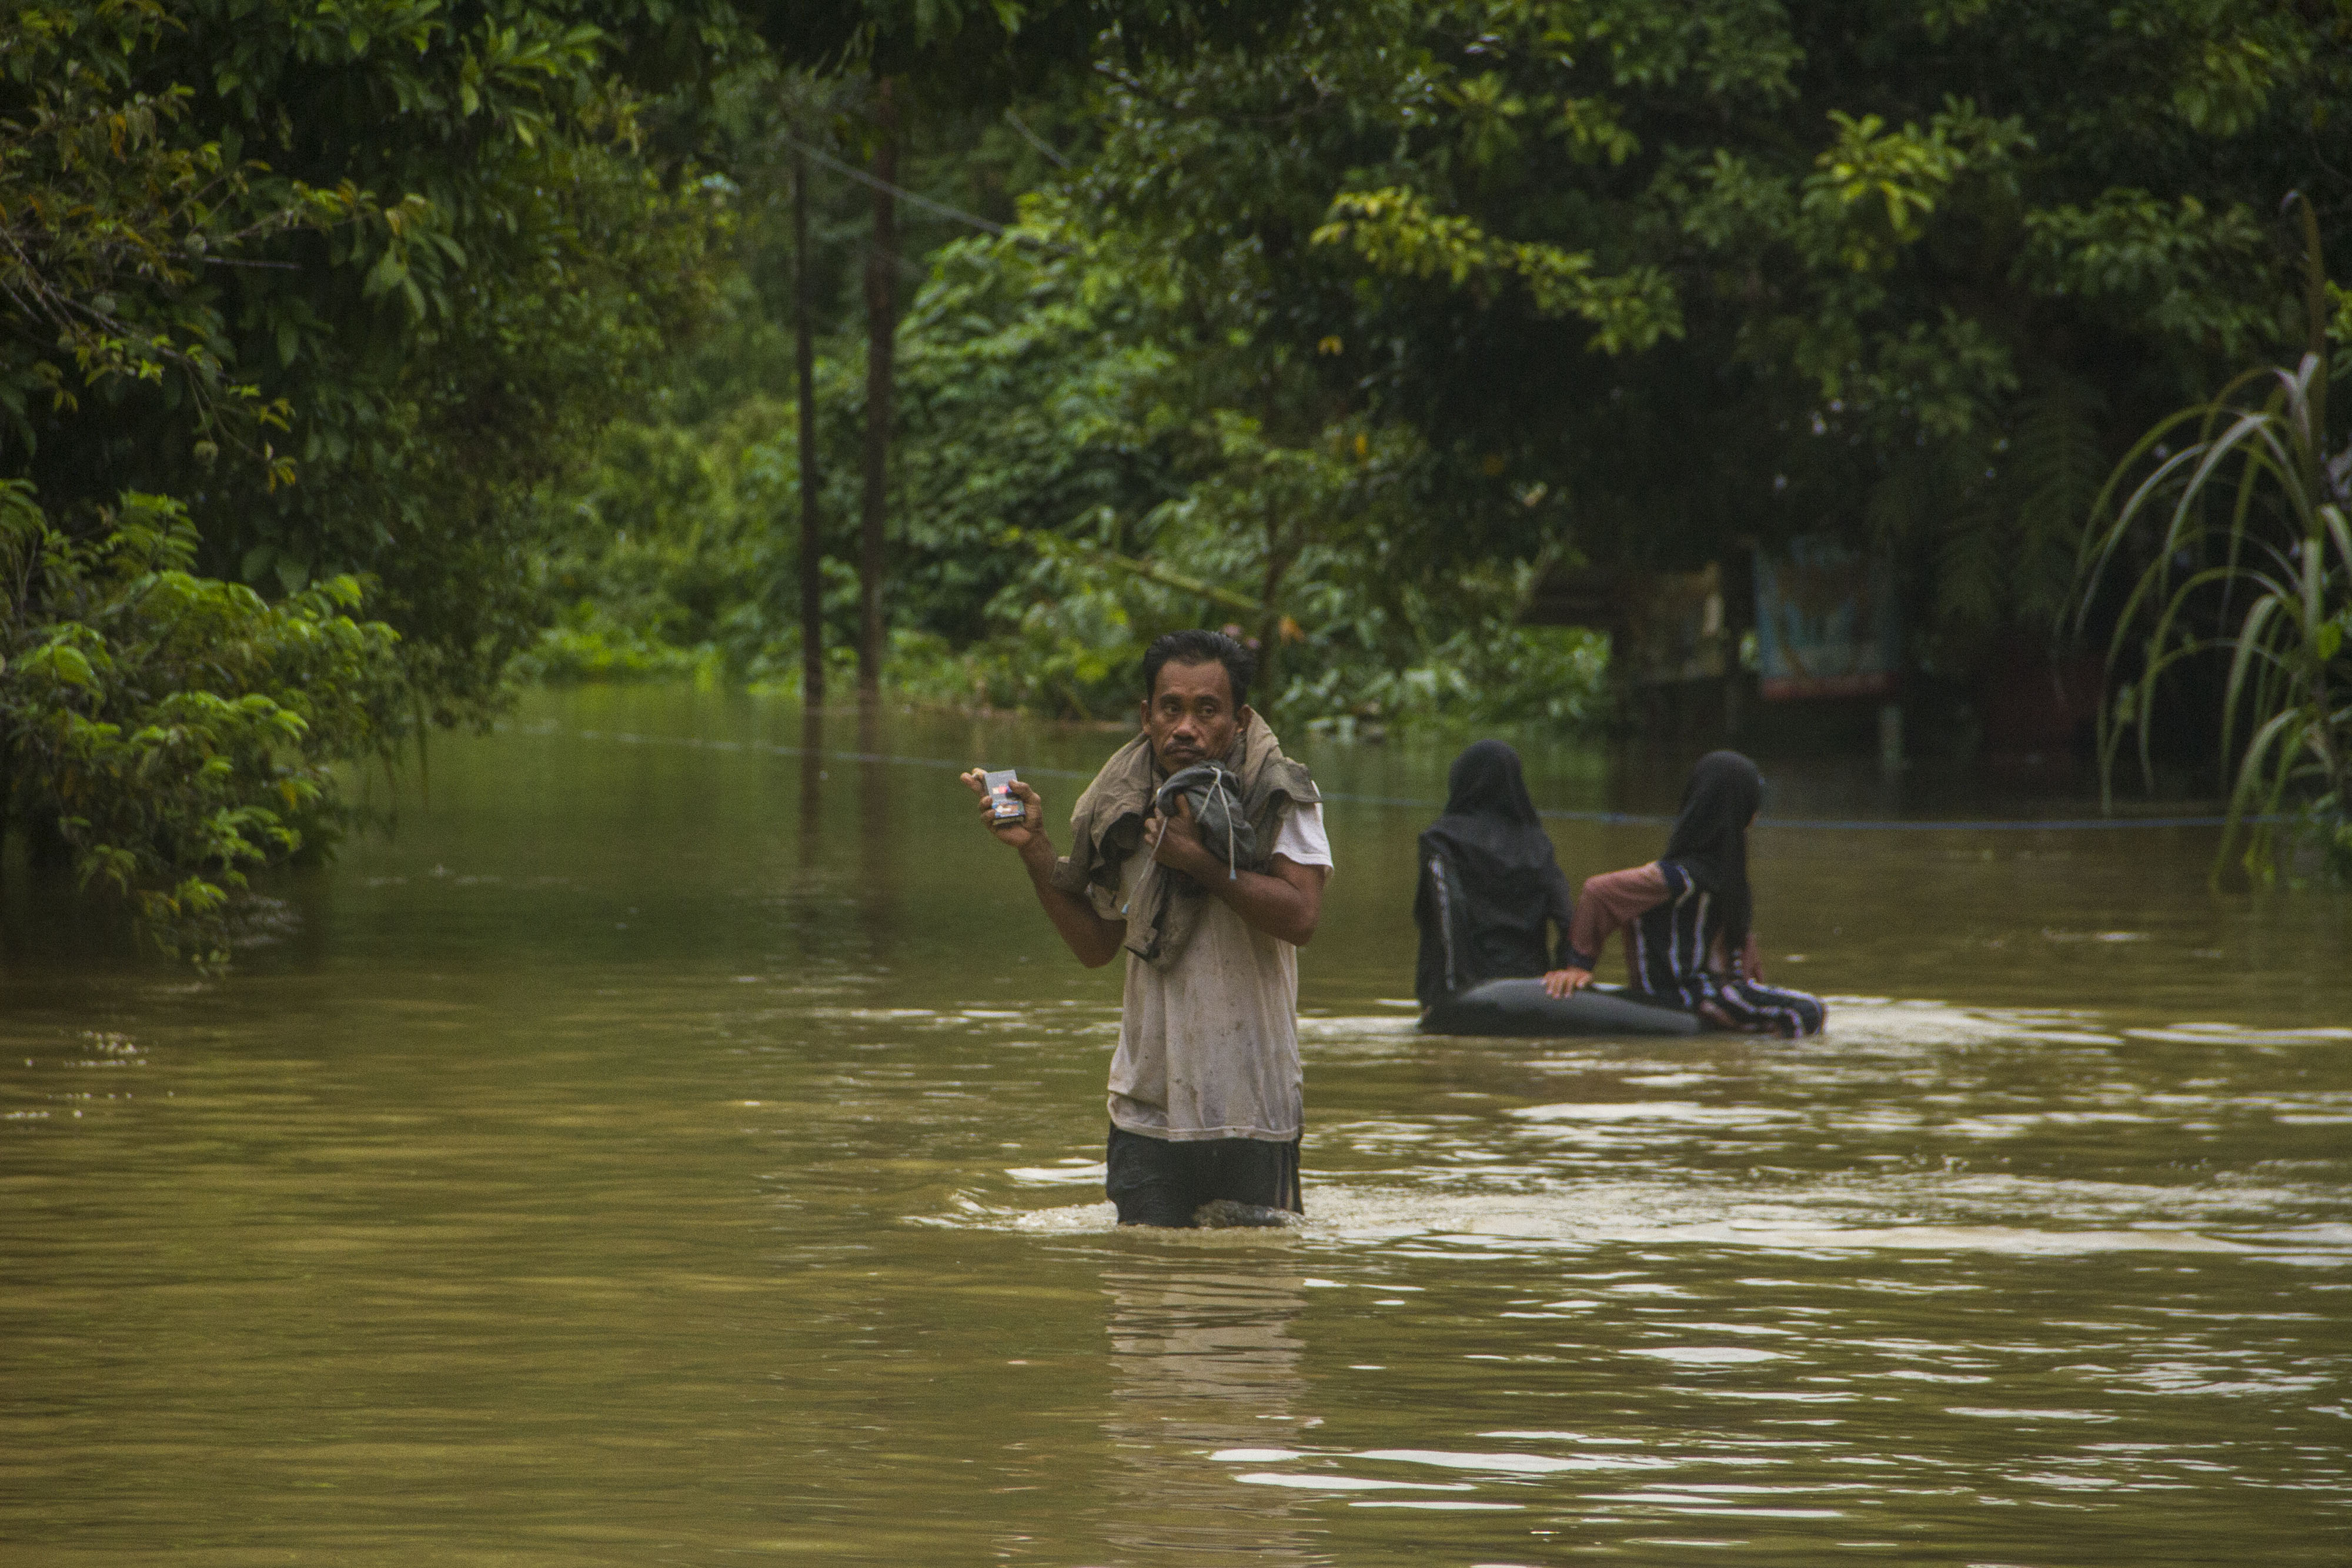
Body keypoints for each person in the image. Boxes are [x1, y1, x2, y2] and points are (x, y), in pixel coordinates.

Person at [963, 629, 1331, 1227]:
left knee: (1253, 1304)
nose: (1185, 727)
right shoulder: (1120, 807)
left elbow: (1301, 917)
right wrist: (1033, 849)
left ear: (1238, 720)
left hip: (1252, 1108)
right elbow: (1095, 946)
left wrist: (1201, 863)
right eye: (1171, 709)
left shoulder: (1278, 794)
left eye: (1206, 711)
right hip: (1147, 1109)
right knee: (1141, 1297)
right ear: (1146, 715)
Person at [1542, 750, 1825, 1037]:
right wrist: (1577, 965)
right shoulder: (1678, 878)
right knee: (1805, 1010)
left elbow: (1740, 952)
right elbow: (1599, 891)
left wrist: (1753, 985)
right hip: (1684, 995)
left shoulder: (1726, 879)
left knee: (1800, 1009)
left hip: (1714, 992)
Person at [1414, 740, 1578, 1012]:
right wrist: (1569, 968)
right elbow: (1566, 913)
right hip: (1532, 990)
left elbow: (1448, 913)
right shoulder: (1537, 843)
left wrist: (1456, 991)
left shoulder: (1441, 840)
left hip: (1468, 990)